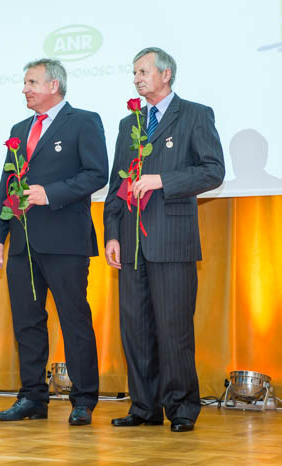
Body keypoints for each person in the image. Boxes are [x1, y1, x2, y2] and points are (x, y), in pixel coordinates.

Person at [103, 47, 225, 432]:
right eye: (134, 73)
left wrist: (163, 180)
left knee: (174, 330)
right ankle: (144, 407)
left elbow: (213, 171)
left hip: (172, 241)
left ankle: (182, 408)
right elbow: (116, 183)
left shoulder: (195, 115)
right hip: (131, 242)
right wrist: (111, 233)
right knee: (135, 330)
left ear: (166, 74)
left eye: (143, 71)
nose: (136, 79)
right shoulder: (130, 123)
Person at [0, 59, 108, 425]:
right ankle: (32, 398)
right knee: (27, 323)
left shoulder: (83, 121)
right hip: (22, 242)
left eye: (31, 82)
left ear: (54, 85)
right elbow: (8, 184)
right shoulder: (19, 129)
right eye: (25, 83)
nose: (25, 89)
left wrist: (50, 193)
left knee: (74, 321)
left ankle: (83, 399)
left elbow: (97, 174)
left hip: (65, 240)